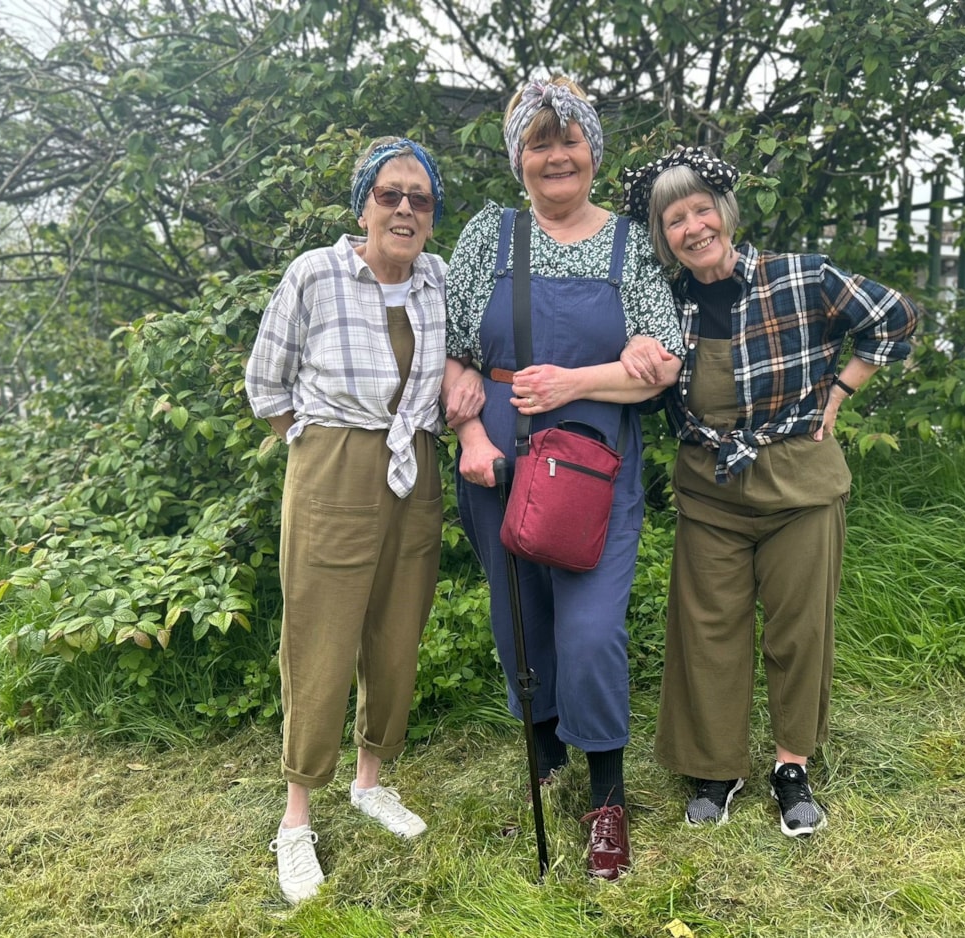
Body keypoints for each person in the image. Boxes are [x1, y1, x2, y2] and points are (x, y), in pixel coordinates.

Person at [618, 146, 919, 836]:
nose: (692, 228)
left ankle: (792, 767)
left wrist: (841, 391)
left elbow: (894, 317)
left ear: (724, 211)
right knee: (707, 631)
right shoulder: (664, 304)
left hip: (801, 486)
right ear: (663, 238)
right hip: (710, 491)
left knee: (799, 629)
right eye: (674, 220)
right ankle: (716, 769)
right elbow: (637, 378)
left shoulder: (799, 277)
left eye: (700, 210)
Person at [443, 77, 684, 881]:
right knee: (522, 623)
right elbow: (454, 353)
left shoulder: (631, 246)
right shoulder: (489, 235)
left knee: (589, 630)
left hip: (594, 465)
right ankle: (545, 756)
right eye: (538, 143)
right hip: (498, 464)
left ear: (592, 150)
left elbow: (659, 368)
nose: (555, 156)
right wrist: (471, 429)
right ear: (518, 159)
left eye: (568, 140)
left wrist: (578, 382)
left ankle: (606, 796)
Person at [245, 136, 481, 904]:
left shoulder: (438, 279)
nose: (406, 209)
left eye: (420, 198)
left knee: (396, 628)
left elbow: (463, 358)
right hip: (334, 469)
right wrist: (315, 450)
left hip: (414, 469)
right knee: (320, 636)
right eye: (391, 194)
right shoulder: (314, 274)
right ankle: (295, 818)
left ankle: (370, 780)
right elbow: (265, 385)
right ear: (363, 204)